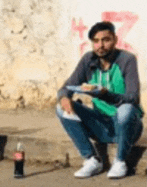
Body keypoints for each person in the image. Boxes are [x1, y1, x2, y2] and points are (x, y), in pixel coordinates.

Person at [56, 21, 144, 179]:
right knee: (60, 108)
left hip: (127, 127)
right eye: (96, 41)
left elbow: (133, 97)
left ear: (115, 40)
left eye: (106, 40)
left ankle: (120, 161)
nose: (100, 45)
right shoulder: (88, 60)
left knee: (126, 109)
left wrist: (105, 94)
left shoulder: (127, 60)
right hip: (101, 126)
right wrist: (64, 98)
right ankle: (92, 160)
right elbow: (66, 87)